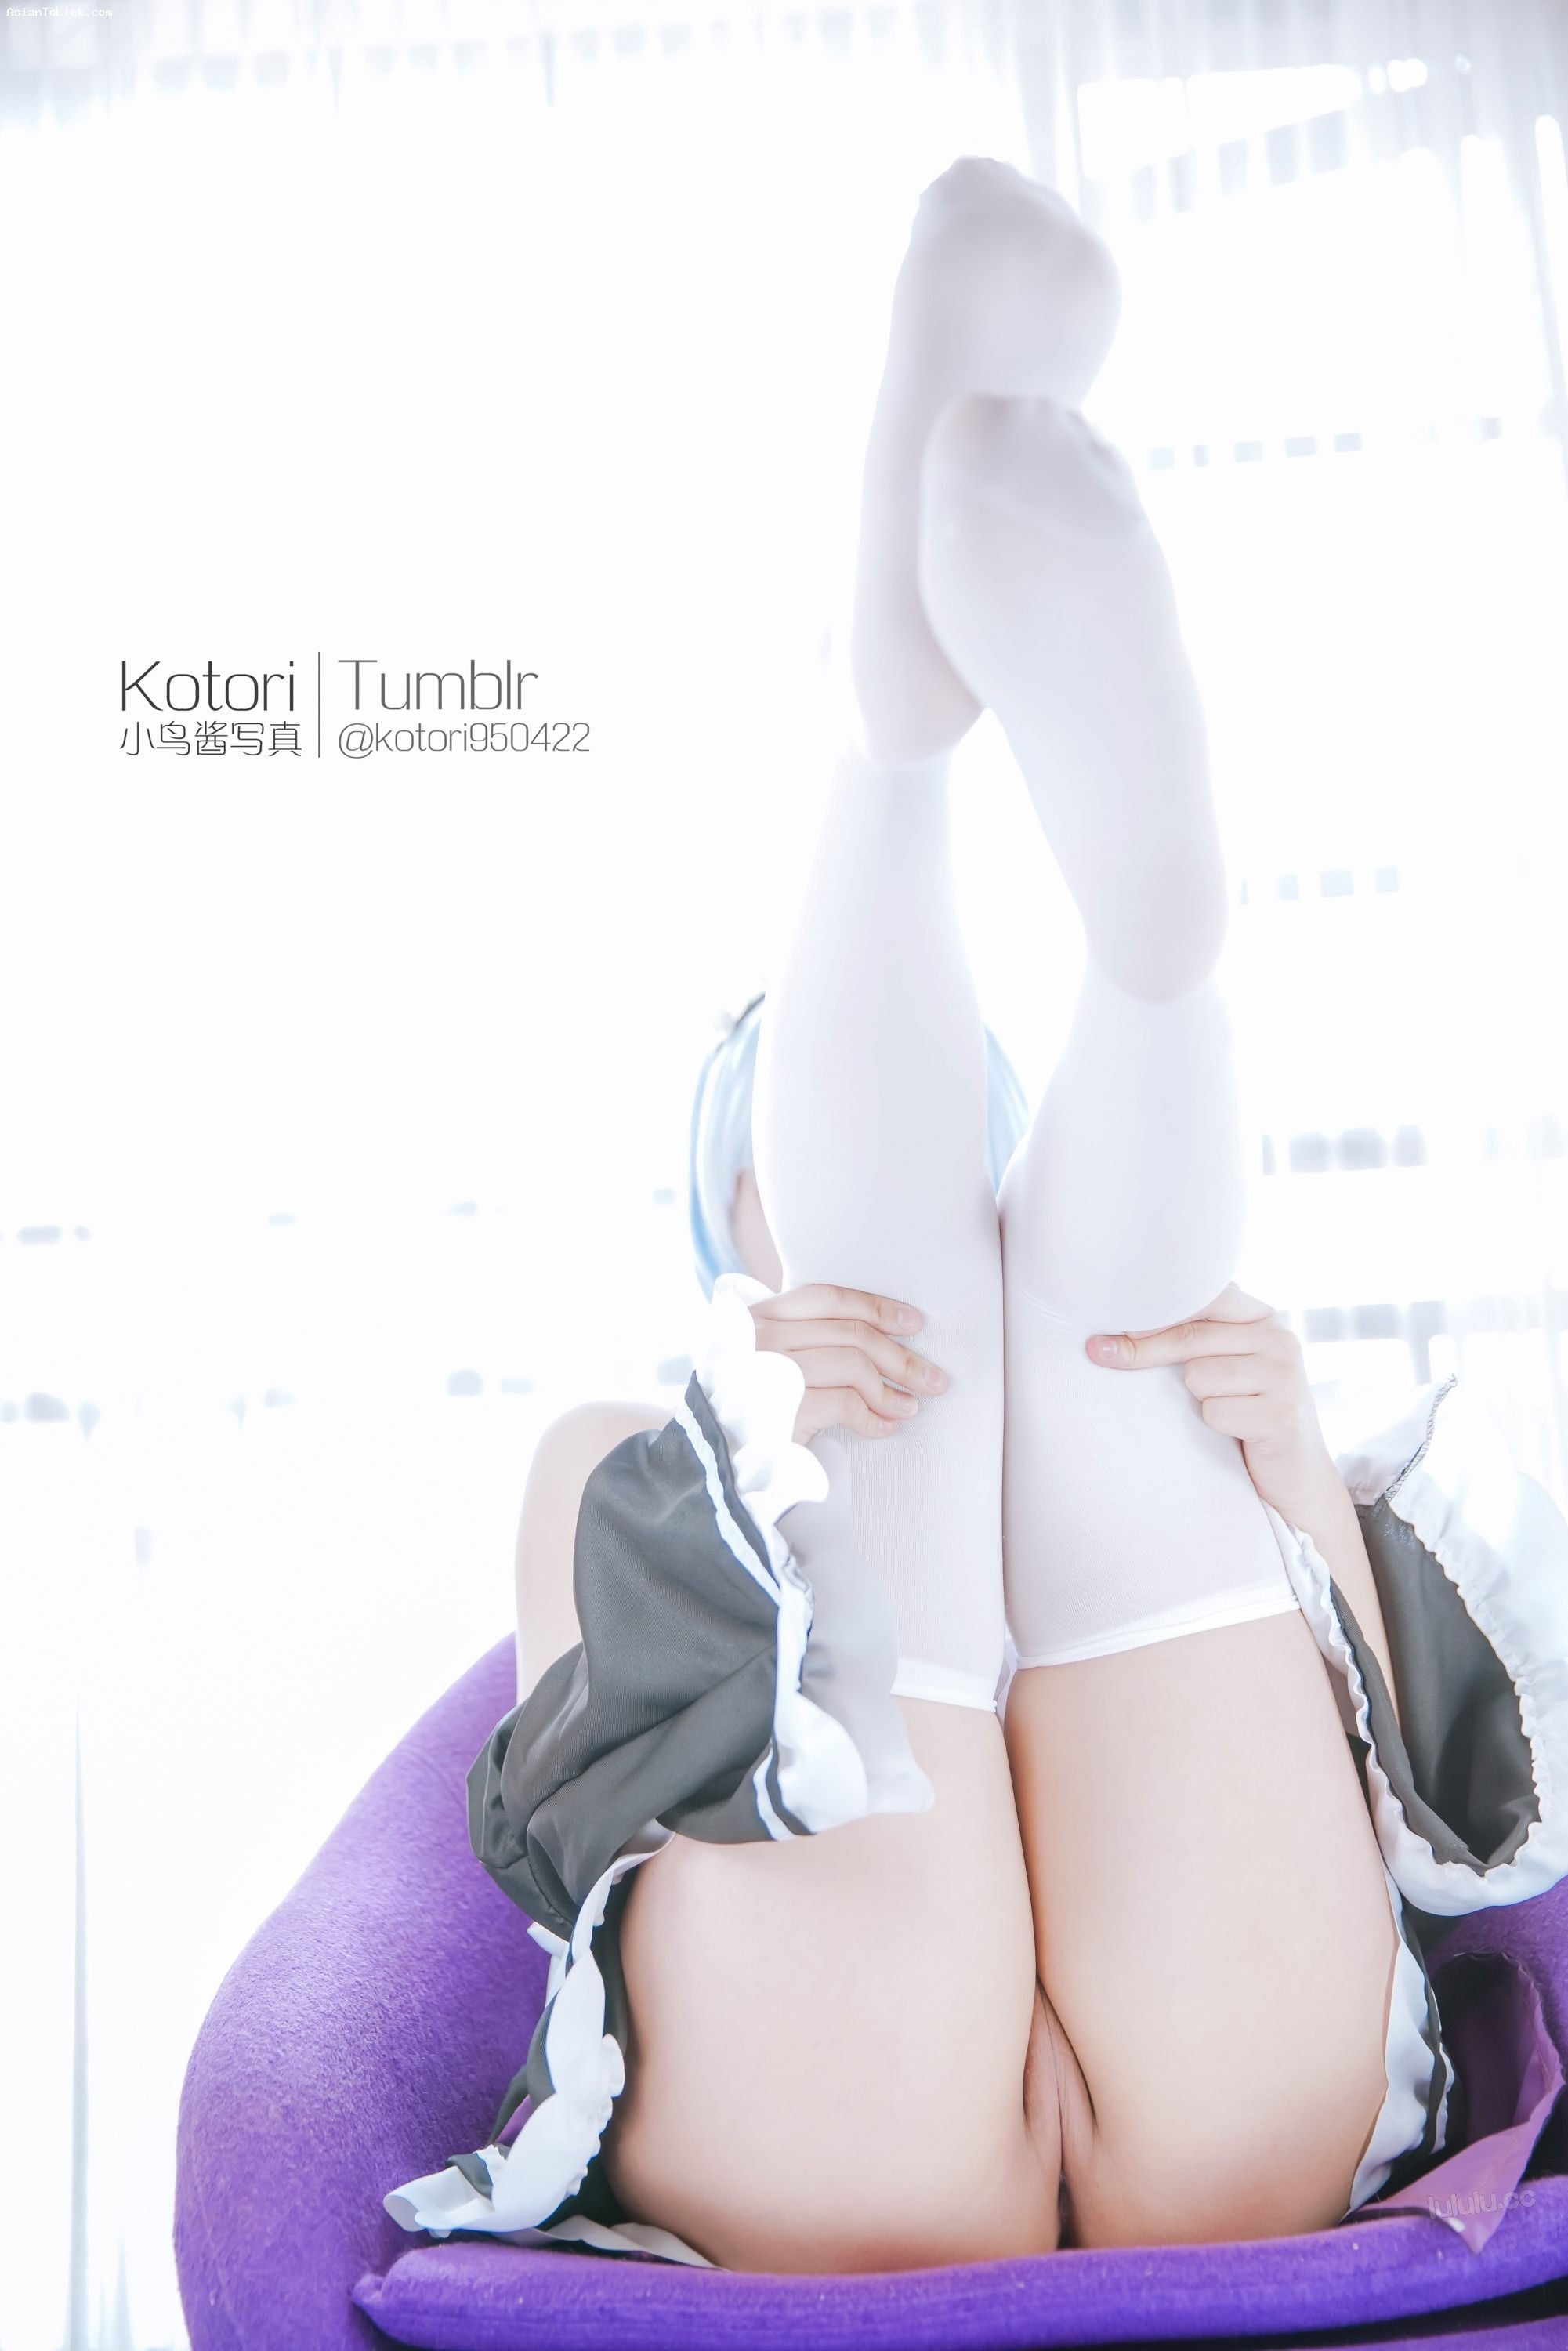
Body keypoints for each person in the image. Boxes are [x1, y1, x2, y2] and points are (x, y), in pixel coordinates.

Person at [386, 160, 1568, 2272]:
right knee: (876, 1387)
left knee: (1118, 1353)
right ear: (715, 1220)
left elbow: (1397, 1781)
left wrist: (1290, 1469)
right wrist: (747, 1418)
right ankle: (1061, 890)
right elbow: (588, 1789)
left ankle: (1022, 855)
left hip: (1079, 2112)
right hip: (1043, 2113)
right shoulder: (630, 1448)